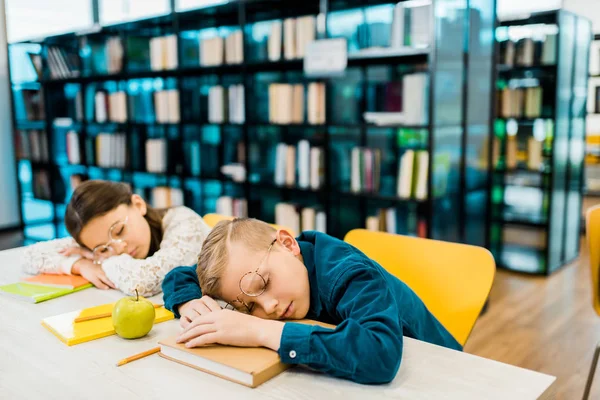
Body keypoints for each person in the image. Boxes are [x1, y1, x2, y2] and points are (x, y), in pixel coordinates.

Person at [162, 218, 462, 384]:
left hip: (444, 377)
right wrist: (189, 302)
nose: (268, 308)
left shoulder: (348, 272)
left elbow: (379, 354)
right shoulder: (262, 265)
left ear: (288, 244)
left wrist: (261, 331)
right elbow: (181, 275)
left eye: (263, 284)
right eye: (247, 307)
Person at [22, 180, 211, 297]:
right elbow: (29, 256)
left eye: (119, 231)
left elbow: (141, 283)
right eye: (103, 249)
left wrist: (102, 260)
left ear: (138, 204)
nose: (119, 248)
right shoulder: (96, 241)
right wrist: (81, 264)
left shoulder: (184, 222)